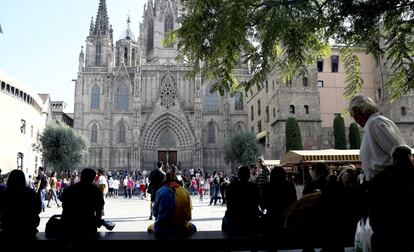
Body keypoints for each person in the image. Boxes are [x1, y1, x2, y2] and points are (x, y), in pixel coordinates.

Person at [349, 94, 413, 251]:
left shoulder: (376, 123)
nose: (355, 120)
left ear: (358, 111)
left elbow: (400, 152)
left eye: (353, 115)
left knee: (388, 238)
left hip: (387, 190)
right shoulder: (373, 125)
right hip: (380, 189)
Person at [147, 171, 197, 237]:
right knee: (193, 227)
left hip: (163, 229)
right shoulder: (184, 191)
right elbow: (189, 214)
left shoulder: (160, 191)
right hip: (181, 229)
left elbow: (155, 213)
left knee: (150, 227)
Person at [60, 168, 105, 240]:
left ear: (81, 176)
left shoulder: (71, 188)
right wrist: (98, 220)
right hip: (88, 222)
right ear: (93, 178)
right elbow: (99, 207)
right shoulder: (95, 190)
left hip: (71, 221)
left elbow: (62, 199)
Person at [0, 169, 41, 240]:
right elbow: (38, 209)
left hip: (9, 228)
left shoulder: (4, 193)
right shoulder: (31, 193)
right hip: (28, 228)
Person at [222, 165, 262, 236]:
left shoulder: (231, 187)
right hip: (251, 219)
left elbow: (227, 203)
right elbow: (260, 203)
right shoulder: (254, 187)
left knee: (225, 220)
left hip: (234, 220)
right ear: (249, 175)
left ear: (239, 175)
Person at [261, 166, 297, 237]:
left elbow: (263, 205)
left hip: (271, 219)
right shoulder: (290, 185)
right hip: (286, 218)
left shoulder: (266, 187)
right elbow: (294, 202)